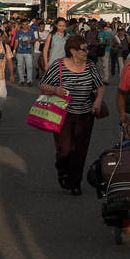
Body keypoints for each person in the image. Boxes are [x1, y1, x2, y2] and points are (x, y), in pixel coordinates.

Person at [38, 34, 105, 195]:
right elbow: (42, 85)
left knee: (80, 150)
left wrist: (97, 102)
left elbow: (100, 87)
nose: (87, 52)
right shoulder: (59, 66)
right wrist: (55, 90)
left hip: (85, 114)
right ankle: (62, 169)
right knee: (65, 149)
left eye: (87, 48)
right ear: (73, 51)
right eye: (83, 49)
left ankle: (75, 182)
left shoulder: (90, 66)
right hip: (63, 114)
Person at [13, 19, 38, 85]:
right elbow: (16, 41)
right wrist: (14, 50)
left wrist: (31, 41)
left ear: (28, 25)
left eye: (26, 24)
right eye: (23, 24)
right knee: (20, 66)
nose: (25, 26)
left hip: (28, 51)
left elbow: (34, 40)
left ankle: (29, 80)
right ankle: (21, 80)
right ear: (21, 25)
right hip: (19, 51)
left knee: (29, 66)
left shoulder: (31, 32)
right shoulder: (18, 32)